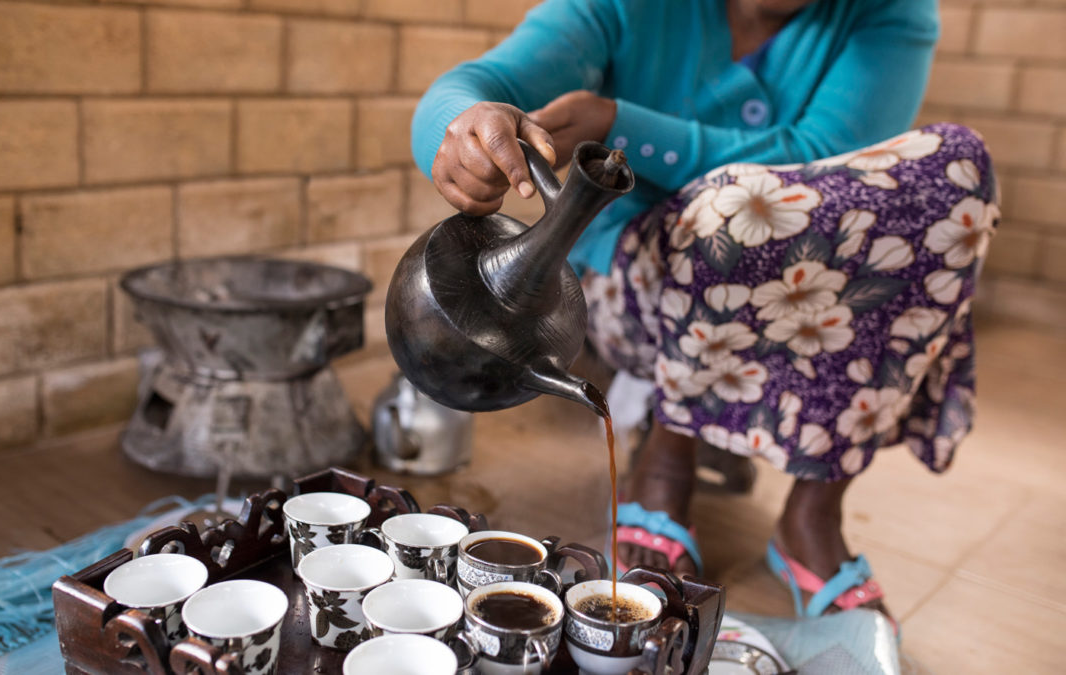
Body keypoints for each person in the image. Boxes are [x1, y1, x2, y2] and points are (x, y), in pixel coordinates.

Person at [410, 0, 997, 631]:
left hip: (817, 290)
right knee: (730, 210)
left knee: (953, 168)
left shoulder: (889, 14)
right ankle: (667, 459)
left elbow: (819, 155)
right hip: (638, 294)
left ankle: (814, 513)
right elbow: (470, 89)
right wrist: (466, 126)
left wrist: (618, 123)